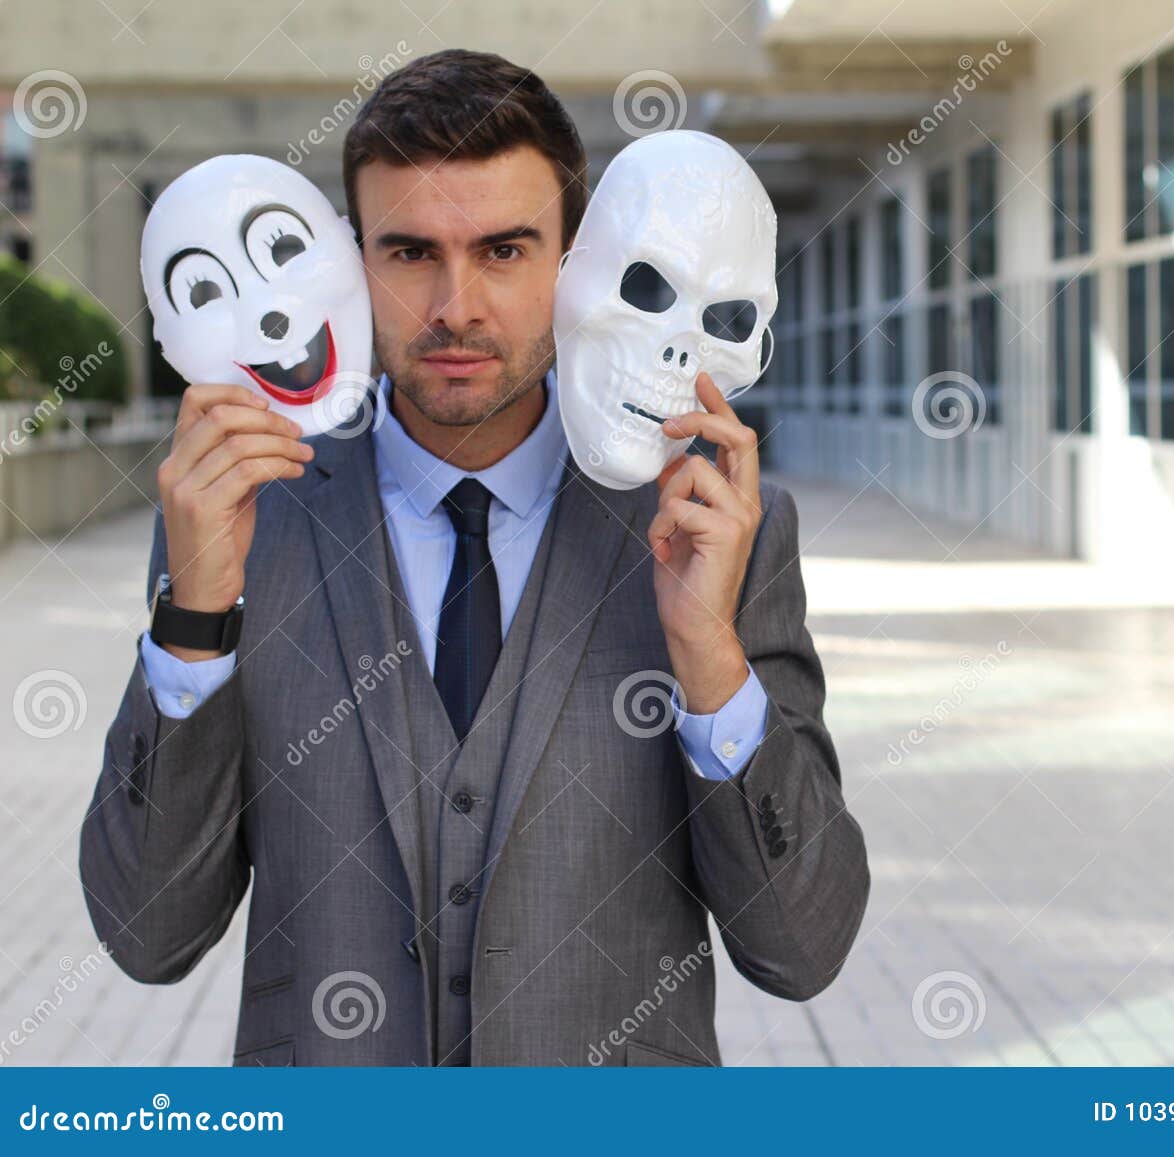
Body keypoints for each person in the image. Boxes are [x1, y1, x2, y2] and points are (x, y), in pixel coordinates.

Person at [78, 48, 869, 1067]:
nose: (455, 306)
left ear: (575, 259)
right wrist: (194, 625)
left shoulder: (721, 524)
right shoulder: (239, 518)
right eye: (409, 252)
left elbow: (802, 946)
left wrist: (708, 655)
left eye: (503, 250)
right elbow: (149, 933)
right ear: (352, 256)